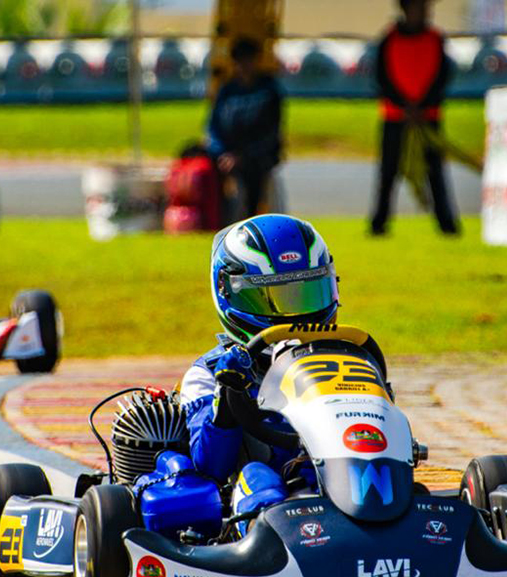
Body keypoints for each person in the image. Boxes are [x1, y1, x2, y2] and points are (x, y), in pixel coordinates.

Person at [179, 214, 341, 524]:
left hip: (334, 475)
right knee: (258, 476)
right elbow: (210, 466)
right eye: (274, 299)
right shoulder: (207, 374)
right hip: (255, 489)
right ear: (230, 292)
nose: (294, 317)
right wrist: (229, 397)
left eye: (305, 295)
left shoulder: (342, 357)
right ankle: (267, 533)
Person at [370, 0, 459, 236]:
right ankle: (378, 224)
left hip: (426, 116)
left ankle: (446, 224)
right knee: (388, 173)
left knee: (435, 173)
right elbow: (382, 77)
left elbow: (442, 75)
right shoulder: (389, 38)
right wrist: (404, 105)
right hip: (395, 117)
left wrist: (422, 105)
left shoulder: (435, 38)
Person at [207, 38, 284, 220]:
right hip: (227, 155)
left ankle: (248, 226)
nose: (244, 66)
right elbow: (214, 126)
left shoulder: (268, 90)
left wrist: (243, 156)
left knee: (250, 190)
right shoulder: (228, 91)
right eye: (240, 61)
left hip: (258, 157)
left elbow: (272, 131)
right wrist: (221, 153)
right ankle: (217, 222)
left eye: (248, 60)